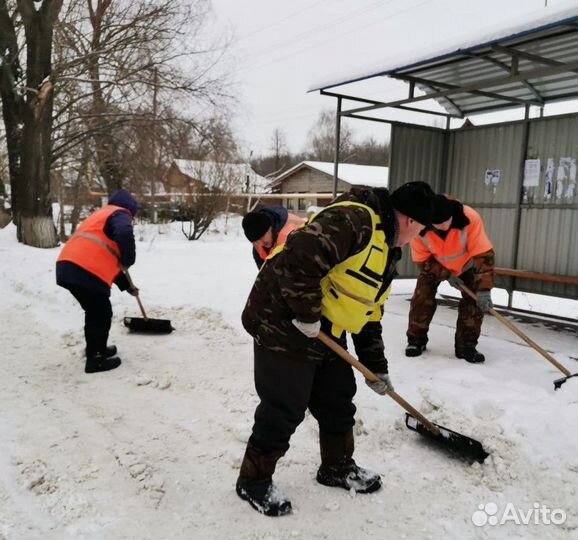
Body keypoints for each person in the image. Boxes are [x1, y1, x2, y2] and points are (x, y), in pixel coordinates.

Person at [236, 181, 436, 516]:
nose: (418, 238)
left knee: (337, 397)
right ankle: (253, 480)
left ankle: (337, 467)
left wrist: (377, 366)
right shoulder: (355, 220)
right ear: (412, 221)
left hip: (320, 324)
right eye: (421, 231)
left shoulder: (385, 250)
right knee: (285, 406)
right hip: (282, 318)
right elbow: (298, 258)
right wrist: (307, 314)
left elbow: (368, 312)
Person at [56, 189, 140, 374]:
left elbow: (109, 260)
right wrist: (129, 258)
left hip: (69, 266)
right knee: (100, 312)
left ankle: (96, 350)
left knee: (96, 311)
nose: (131, 219)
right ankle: (96, 359)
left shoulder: (100, 216)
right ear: (129, 208)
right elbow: (125, 232)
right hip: (84, 269)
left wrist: (128, 287)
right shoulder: (119, 213)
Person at [405, 194, 495, 363]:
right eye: (438, 224)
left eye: (447, 221)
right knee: (421, 299)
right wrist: (446, 274)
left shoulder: (470, 218)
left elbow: (484, 254)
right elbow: (422, 260)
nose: (444, 226)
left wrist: (484, 289)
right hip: (434, 265)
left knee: (474, 303)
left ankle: (466, 346)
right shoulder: (420, 225)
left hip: (467, 265)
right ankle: (416, 341)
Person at [241, 206, 306, 268]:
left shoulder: (293, 234)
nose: (261, 243)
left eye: (262, 237)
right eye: (256, 241)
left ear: (270, 228)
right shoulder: (259, 246)